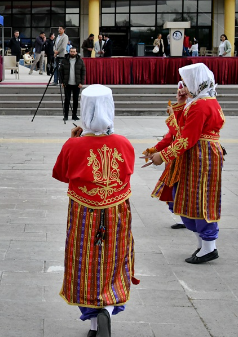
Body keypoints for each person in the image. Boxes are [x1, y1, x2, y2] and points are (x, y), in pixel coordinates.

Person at [52, 84, 137, 337]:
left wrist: (76, 139)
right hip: (117, 211)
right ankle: (106, 312)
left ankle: (94, 324)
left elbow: (60, 174)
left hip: (83, 213)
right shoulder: (123, 143)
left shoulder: (73, 145)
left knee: (85, 263)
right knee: (113, 261)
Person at [149, 63, 224, 264]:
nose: (185, 86)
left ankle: (208, 246)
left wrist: (162, 155)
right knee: (192, 198)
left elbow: (185, 138)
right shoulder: (205, 101)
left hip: (200, 156)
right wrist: (181, 102)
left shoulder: (200, 105)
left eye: (188, 82)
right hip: (199, 155)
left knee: (199, 199)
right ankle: (204, 245)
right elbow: (182, 129)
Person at [143, 99, 187, 229]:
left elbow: (179, 135)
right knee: (173, 189)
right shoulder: (178, 120)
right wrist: (153, 149)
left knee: (180, 189)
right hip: (173, 160)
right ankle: (182, 218)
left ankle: (186, 218)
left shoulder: (188, 114)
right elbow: (169, 138)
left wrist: (173, 114)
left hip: (183, 160)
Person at [58, 47, 85, 121]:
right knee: (67, 100)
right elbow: (61, 72)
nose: (72, 53)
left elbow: (83, 72)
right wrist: (62, 82)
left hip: (77, 84)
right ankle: (66, 115)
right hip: (67, 83)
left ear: (76, 52)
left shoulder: (80, 61)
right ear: (69, 52)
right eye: (71, 51)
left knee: (75, 100)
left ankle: (74, 115)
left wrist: (81, 82)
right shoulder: (64, 60)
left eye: (74, 52)